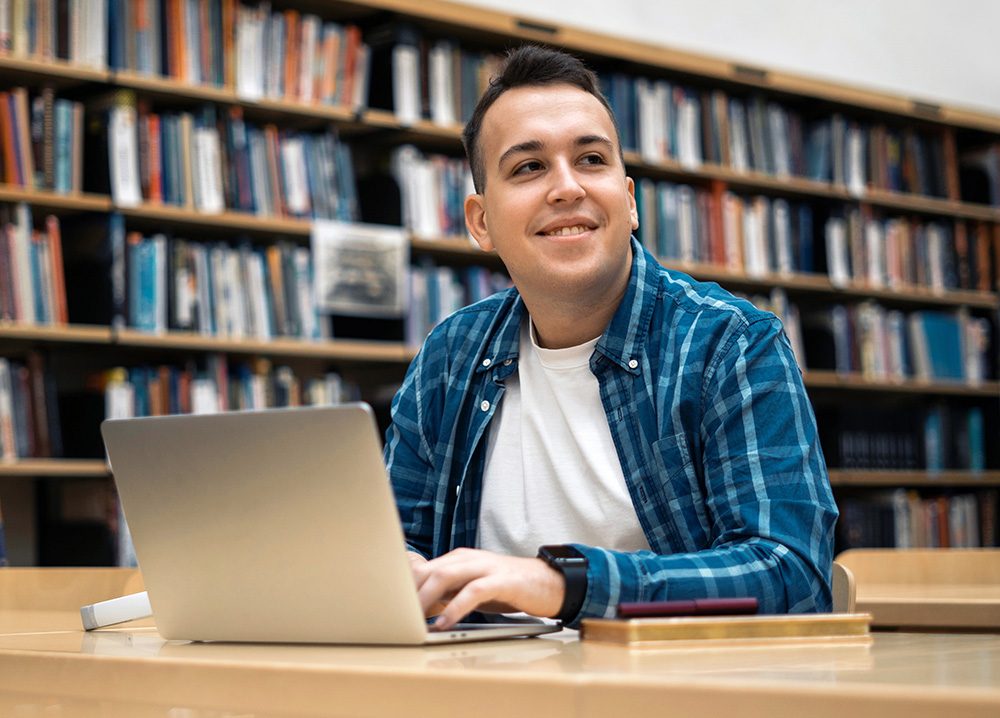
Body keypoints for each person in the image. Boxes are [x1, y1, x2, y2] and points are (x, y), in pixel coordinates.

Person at [383, 45, 838, 631]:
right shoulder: (449, 358)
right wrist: (391, 573)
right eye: (528, 167)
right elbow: (396, 543)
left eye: (591, 159)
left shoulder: (730, 343)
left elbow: (790, 574)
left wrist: (564, 583)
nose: (566, 187)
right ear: (481, 222)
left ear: (628, 201)